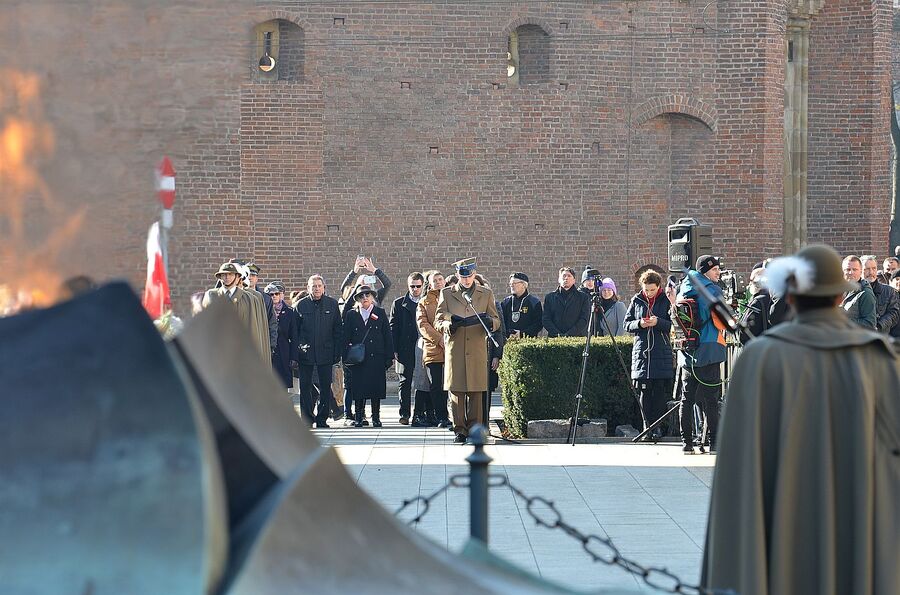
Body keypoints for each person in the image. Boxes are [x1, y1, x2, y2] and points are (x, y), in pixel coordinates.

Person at [703, 244, 900, 595]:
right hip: (859, 519)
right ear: (839, 296)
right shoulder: (879, 358)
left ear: (791, 297)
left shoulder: (760, 359)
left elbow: (738, 468)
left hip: (785, 522)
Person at [435, 258, 500, 444]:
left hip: (477, 348)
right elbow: (438, 319)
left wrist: (490, 322)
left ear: (474, 274)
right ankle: (460, 430)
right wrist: (449, 324)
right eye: (462, 276)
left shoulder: (485, 293)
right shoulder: (447, 293)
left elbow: (496, 320)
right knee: (457, 391)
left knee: (476, 392)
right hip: (455, 348)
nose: (466, 280)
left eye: (469, 276)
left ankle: (474, 429)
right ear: (457, 275)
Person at [669, 254, 727, 454]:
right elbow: (722, 321)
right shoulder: (713, 290)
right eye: (715, 269)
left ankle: (687, 444)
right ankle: (714, 443)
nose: (718, 272)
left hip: (688, 351)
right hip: (710, 348)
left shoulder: (683, 288)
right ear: (705, 271)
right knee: (711, 400)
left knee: (687, 399)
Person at [623, 270, 673, 440]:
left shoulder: (666, 300)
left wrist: (658, 322)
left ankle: (657, 427)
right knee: (644, 392)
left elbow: (673, 325)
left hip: (660, 351)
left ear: (658, 287)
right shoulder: (636, 300)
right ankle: (647, 426)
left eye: (652, 290)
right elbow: (626, 324)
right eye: (646, 290)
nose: (649, 293)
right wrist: (639, 323)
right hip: (642, 352)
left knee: (658, 392)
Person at [342, 285, 394, 428]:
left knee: (375, 388)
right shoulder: (352, 314)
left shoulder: (380, 312)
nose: (365, 298)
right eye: (361, 296)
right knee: (359, 388)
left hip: (376, 356)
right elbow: (345, 336)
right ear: (357, 299)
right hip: (358, 358)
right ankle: (359, 416)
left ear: (372, 297)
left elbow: (387, 335)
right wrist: (345, 355)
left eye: (367, 295)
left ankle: (376, 417)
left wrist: (389, 356)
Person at [295, 274, 343, 428]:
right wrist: (297, 351)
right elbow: (295, 332)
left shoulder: (332, 304)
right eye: (313, 286)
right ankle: (307, 419)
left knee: (325, 388)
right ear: (308, 288)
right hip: (306, 354)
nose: (316, 288)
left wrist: (337, 352)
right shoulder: (300, 305)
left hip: (326, 353)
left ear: (324, 288)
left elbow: (337, 330)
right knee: (305, 388)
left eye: (319, 286)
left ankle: (322, 419)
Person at [202, 262, 270, 362]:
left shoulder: (248, 299)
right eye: (223, 275)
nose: (227, 277)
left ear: (238, 277)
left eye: (230, 274)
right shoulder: (211, 296)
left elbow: (253, 330)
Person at [417, 270, 452, 428]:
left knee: (451, 384)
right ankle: (441, 417)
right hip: (433, 348)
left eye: (440, 279)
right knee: (436, 385)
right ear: (429, 284)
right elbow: (423, 325)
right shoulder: (424, 302)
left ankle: (453, 414)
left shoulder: (452, 298)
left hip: (452, 347)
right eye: (435, 280)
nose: (438, 282)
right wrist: (439, 339)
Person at [390, 272, 425, 425]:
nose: (415, 289)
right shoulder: (398, 303)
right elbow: (393, 327)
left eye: (418, 286)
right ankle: (404, 413)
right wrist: (394, 349)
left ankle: (419, 413)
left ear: (422, 286)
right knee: (405, 381)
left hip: (423, 347)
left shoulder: (426, 302)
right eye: (412, 286)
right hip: (405, 347)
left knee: (422, 382)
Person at [265, 282, 300, 389]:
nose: (274, 296)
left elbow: (294, 336)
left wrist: (294, 357)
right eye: (271, 294)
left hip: (283, 353)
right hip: (267, 352)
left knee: (282, 386)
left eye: (277, 293)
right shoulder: (263, 311)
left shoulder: (289, 312)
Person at [543, 267, 591, 337]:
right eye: (564, 276)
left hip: (576, 338)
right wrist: (558, 334)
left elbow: (584, 319)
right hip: (554, 338)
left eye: (569, 276)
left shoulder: (583, 297)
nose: (566, 278)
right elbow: (546, 319)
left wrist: (569, 334)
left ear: (574, 280)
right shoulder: (550, 297)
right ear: (559, 279)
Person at [862, 255, 900, 334]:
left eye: (874, 268)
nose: (871, 272)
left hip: (882, 335)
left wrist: (879, 326)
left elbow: (894, 313)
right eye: (867, 269)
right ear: (860, 270)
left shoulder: (889, 291)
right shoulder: (853, 290)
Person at [500, 272, 543, 338]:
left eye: (514, 283)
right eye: (510, 284)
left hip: (528, 340)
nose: (511, 286)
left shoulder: (534, 302)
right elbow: (501, 322)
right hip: (508, 339)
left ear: (524, 285)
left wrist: (522, 333)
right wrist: (508, 333)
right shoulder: (506, 302)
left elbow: (538, 324)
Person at [840, 255, 876, 328]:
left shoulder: (865, 293)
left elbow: (870, 324)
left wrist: (844, 322)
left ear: (861, 271)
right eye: (848, 269)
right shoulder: (839, 290)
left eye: (855, 269)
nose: (851, 272)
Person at [739, 265, 771, 344]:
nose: (750, 283)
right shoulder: (778, 298)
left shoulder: (758, 301)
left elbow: (746, 334)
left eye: (751, 280)